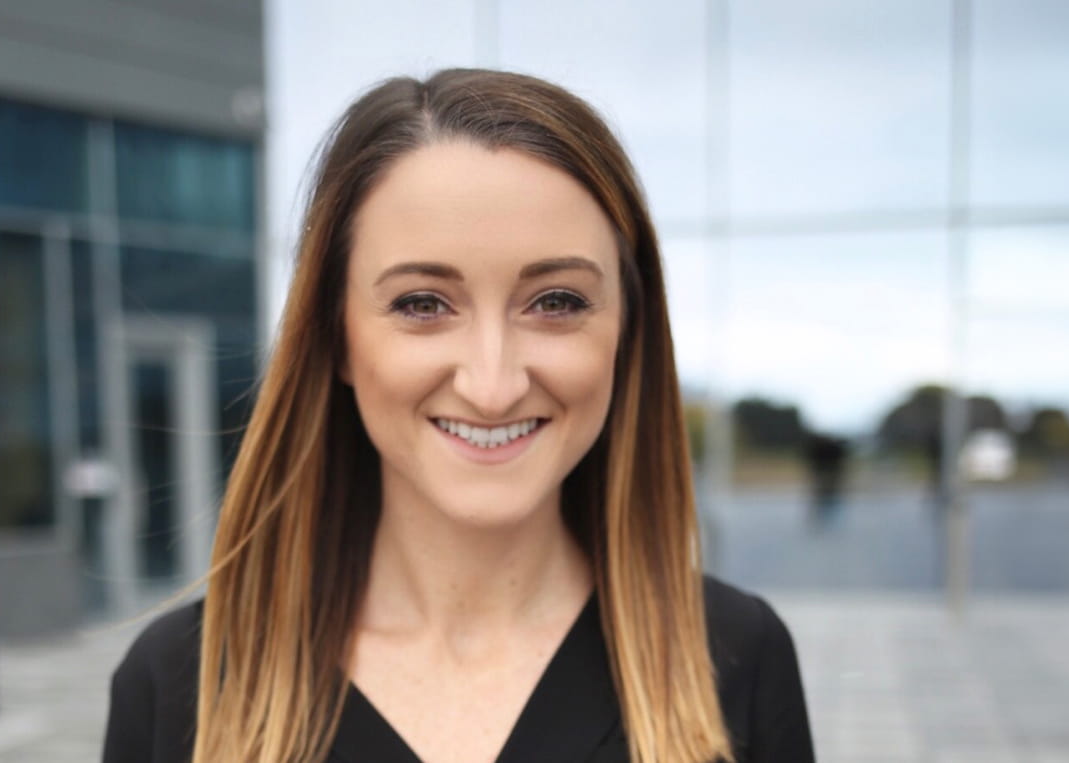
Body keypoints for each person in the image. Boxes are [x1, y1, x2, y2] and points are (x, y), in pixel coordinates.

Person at [102, 69, 813, 763]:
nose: (492, 386)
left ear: (628, 332)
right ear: (336, 337)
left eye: (557, 301)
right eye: (422, 304)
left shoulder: (738, 658)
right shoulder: (178, 687)